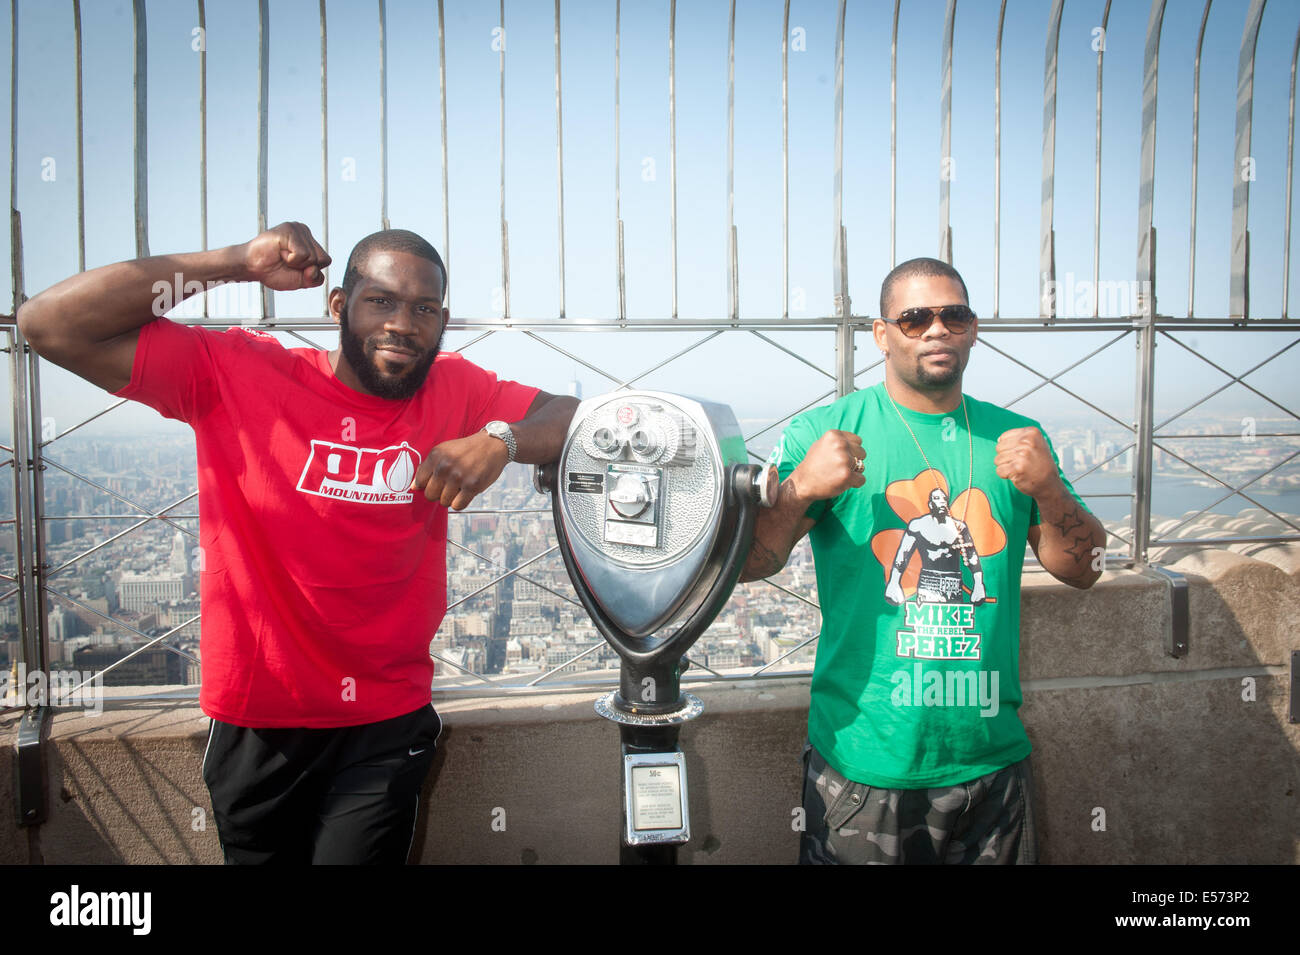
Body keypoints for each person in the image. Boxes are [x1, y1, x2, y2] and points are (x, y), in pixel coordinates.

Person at [17, 222, 578, 864]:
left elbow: (570, 415)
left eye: (424, 309)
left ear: (442, 320)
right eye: (381, 301)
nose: (403, 323)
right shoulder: (238, 371)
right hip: (260, 718)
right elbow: (47, 323)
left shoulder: (458, 389)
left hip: (384, 720)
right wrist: (236, 263)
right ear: (337, 306)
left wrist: (499, 442)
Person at [741, 256, 1106, 865]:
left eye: (953, 315)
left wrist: (1048, 489)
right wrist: (801, 489)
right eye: (914, 319)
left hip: (990, 760)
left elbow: (1086, 566)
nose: (937, 330)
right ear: (881, 335)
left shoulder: (1016, 438)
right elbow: (753, 561)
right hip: (866, 762)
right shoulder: (824, 433)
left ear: (973, 328)